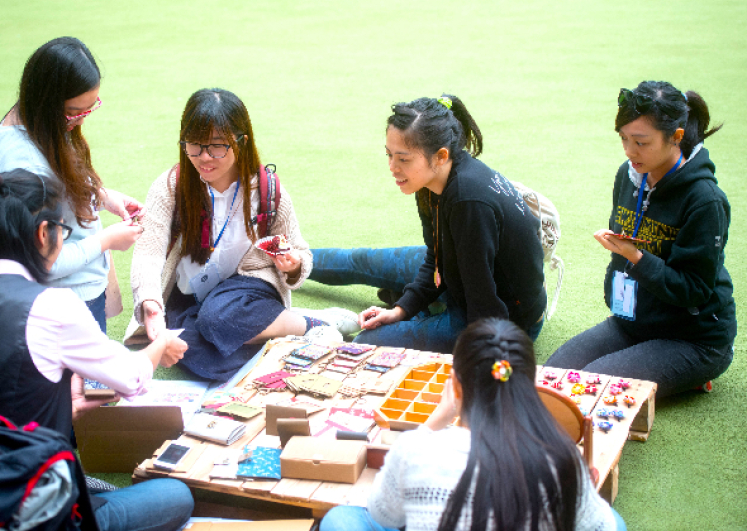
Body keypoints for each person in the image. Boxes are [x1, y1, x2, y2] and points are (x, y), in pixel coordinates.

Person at [0, 170, 193, 531]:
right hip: (39, 510)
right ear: (43, 233)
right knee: (176, 495)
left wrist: (57, 406)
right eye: (63, 230)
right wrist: (160, 344)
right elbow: (132, 378)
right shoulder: (52, 306)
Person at [129, 88, 356, 381]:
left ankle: (311, 325)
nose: (204, 157)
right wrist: (149, 301)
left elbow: (301, 252)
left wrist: (294, 264)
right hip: (191, 297)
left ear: (241, 141)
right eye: (194, 145)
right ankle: (277, 327)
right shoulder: (171, 186)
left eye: (216, 146)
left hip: (247, 291)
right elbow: (148, 251)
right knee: (195, 353)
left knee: (218, 318)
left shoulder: (267, 190)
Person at [320, 318, 624, 531]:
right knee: (614, 520)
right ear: (530, 384)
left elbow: (382, 515)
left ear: (455, 385)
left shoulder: (416, 449)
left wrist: (434, 421)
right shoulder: (562, 457)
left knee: (340, 519)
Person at [309, 94, 546, 353]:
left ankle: (424, 307)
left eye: (403, 159)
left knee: (364, 343)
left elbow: (484, 304)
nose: (392, 167)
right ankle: (295, 262)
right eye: (389, 155)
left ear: (440, 156)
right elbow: (436, 259)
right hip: (460, 278)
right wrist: (402, 309)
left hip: (502, 319)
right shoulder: (430, 181)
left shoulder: (468, 201)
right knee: (363, 261)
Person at [546, 81, 735, 398]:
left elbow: (695, 289)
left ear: (676, 136)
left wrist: (636, 257)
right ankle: (653, 367)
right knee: (552, 376)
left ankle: (688, 372)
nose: (629, 151)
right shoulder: (629, 174)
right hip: (634, 323)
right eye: (624, 138)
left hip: (693, 337)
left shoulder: (705, 200)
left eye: (641, 142)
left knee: (588, 390)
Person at [0, 36, 145, 332]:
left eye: (89, 109)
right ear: (47, 100)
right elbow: (43, 261)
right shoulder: (24, 166)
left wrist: (101, 196)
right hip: (65, 303)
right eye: (74, 112)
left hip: (76, 291)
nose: (80, 121)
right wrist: (107, 240)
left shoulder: (38, 120)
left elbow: (59, 181)